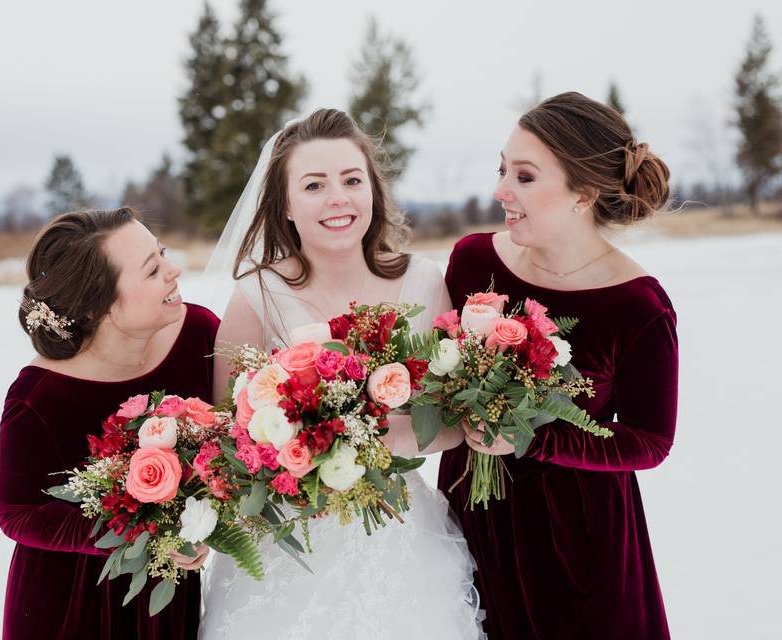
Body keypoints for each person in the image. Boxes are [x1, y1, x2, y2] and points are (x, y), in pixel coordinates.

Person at [200, 109, 485, 639]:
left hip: (400, 541)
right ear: (285, 205)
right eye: (314, 185)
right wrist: (301, 450)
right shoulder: (256, 296)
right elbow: (226, 439)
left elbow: (451, 423)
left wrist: (392, 436)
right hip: (289, 550)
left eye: (352, 180)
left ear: (372, 191)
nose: (338, 198)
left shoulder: (423, 282)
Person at [439, 92, 678, 639]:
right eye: (502, 170)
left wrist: (532, 438)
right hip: (470, 524)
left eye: (524, 177)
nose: (501, 191)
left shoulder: (637, 306)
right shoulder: (473, 260)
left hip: (579, 545)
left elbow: (650, 441)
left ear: (583, 194)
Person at [0, 208, 216, 640]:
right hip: (69, 603)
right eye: (153, 270)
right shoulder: (39, 397)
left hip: (167, 599)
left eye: (163, 254)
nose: (174, 271)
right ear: (100, 305)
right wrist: (137, 534)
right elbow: (16, 513)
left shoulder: (200, 335)